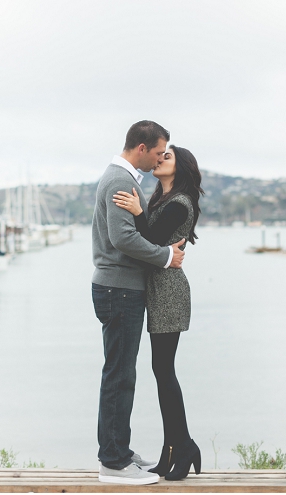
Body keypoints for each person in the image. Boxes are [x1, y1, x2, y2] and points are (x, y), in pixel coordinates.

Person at [92, 120, 187, 486]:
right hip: (119, 290)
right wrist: (166, 257)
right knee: (119, 376)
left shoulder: (123, 178)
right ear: (142, 147)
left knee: (121, 374)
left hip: (120, 289)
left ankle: (119, 451)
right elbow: (122, 238)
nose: (160, 158)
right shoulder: (121, 180)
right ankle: (113, 463)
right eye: (159, 151)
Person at [112, 145, 204, 481]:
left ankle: (185, 447)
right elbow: (152, 243)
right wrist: (143, 208)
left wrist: (137, 211)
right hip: (159, 290)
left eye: (168, 157)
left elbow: (148, 238)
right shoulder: (162, 201)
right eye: (160, 155)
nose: (160, 159)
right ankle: (172, 452)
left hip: (169, 292)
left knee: (164, 372)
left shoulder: (179, 204)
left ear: (180, 169)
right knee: (162, 371)